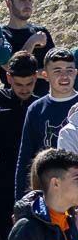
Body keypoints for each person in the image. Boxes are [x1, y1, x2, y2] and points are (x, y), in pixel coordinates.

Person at [0, 51, 45, 240]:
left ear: (36, 77)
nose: (24, 90)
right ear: (8, 77)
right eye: (19, 84)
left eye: (29, 84)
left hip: (30, 183)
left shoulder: (40, 106)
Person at [15, 49, 78, 201]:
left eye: (69, 70)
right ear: (44, 75)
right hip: (47, 194)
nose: (64, 76)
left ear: (75, 73)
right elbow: (25, 159)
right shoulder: (36, 110)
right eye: (57, 71)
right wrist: (20, 201)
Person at [2, 0, 55, 84]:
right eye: (22, 0)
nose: (27, 5)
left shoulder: (41, 31)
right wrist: (32, 41)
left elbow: (54, 67)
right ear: (9, 4)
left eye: (30, 0)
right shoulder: (1, 35)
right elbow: (13, 67)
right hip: (15, 97)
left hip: (44, 96)